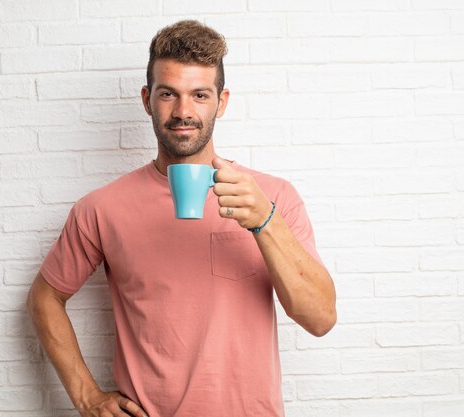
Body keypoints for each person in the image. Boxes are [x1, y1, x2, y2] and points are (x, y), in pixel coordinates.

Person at [27, 20, 337, 417]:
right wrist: (86, 395)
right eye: (168, 94)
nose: (184, 111)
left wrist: (264, 222)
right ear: (147, 99)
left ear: (221, 102)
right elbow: (45, 297)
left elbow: (321, 318)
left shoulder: (272, 197)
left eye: (200, 95)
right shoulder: (101, 209)